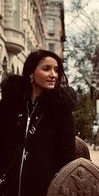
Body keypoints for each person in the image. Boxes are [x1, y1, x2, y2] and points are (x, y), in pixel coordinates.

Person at [0, 49, 77, 196]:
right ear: (31, 73)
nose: (53, 75)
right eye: (46, 69)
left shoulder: (61, 109)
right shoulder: (10, 104)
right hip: (7, 188)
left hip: (43, 189)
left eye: (56, 70)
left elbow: (67, 157)